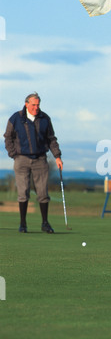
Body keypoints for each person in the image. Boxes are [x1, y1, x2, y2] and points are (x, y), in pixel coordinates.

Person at [4, 92, 63, 233]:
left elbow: (51, 139)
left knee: (42, 192)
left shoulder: (44, 118)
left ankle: (45, 223)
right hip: (21, 159)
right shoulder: (16, 118)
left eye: (38, 105)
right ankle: (23, 224)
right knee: (23, 192)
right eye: (33, 105)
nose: (36, 107)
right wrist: (13, 155)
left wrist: (57, 156)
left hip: (40, 159)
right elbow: (8, 137)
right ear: (26, 104)